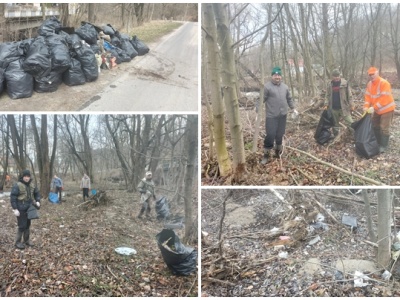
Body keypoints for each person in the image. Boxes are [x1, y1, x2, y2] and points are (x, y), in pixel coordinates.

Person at [262, 66, 297, 164]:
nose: (277, 77)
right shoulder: (267, 87)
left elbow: (289, 98)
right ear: (272, 76)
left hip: (283, 115)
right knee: (270, 135)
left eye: (279, 75)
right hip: (271, 116)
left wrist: (293, 108)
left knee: (279, 134)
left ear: (281, 77)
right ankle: (266, 155)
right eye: (275, 75)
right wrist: (257, 110)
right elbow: (261, 99)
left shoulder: (285, 87)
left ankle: (277, 152)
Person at [364, 67, 396, 153]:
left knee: (384, 127)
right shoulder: (369, 84)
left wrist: (373, 107)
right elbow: (367, 97)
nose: (371, 76)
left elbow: (384, 99)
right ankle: (377, 141)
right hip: (377, 109)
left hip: (387, 109)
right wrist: (366, 107)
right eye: (370, 75)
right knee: (375, 125)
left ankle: (384, 145)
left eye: (373, 74)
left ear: (377, 73)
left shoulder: (384, 83)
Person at [10, 169, 41, 249]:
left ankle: (26, 240)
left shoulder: (32, 185)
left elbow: (37, 193)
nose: (27, 178)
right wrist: (15, 209)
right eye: (25, 176)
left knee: (28, 224)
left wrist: (38, 200)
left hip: (29, 207)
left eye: (28, 176)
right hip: (20, 207)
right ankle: (17, 242)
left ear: (30, 177)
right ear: (22, 177)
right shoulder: (17, 185)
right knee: (22, 225)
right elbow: (13, 197)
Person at [324, 69, 354, 136]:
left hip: (344, 107)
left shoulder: (345, 83)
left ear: (340, 76)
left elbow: (349, 95)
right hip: (333, 108)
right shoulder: (330, 84)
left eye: (338, 76)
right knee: (335, 124)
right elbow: (327, 95)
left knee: (350, 122)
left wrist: (352, 105)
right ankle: (336, 136)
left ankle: (355, 135)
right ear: (332, 77)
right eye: (335, 76)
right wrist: (326, 104)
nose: (337, 77)